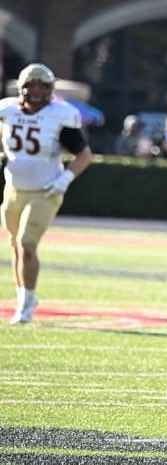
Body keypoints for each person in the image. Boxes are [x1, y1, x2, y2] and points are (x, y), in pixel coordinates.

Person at [0, 63, 92, 324]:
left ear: (50, 89)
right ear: (22, 88)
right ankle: (24, 297)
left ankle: (26, 305)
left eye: (42, 85)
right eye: (31, 85)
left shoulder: (61, 114)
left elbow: (84, 155)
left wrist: (65, 179)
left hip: (45, 190)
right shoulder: (6, 110)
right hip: (14, 188)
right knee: (16, 248)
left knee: (27, 246)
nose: (36, 90)